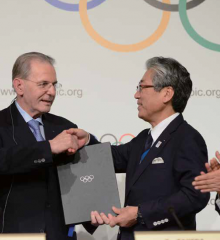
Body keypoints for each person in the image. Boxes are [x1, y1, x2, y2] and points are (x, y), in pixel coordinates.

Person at [68, 57, 210, 240]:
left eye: (142, 87)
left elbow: (194, 196)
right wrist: (86, 139)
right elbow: (110, 158)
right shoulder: (144, 138)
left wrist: (141, 213)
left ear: (167, 94)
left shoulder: (187, 138)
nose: (136, 95)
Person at [0, 52, 97, 240]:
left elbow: (90, 168)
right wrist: (48, 148)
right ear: (19, 86)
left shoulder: (65, 127)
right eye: (43, 84)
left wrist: (95, 211)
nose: (51, 91)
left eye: (54, 85)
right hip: (9, 234)